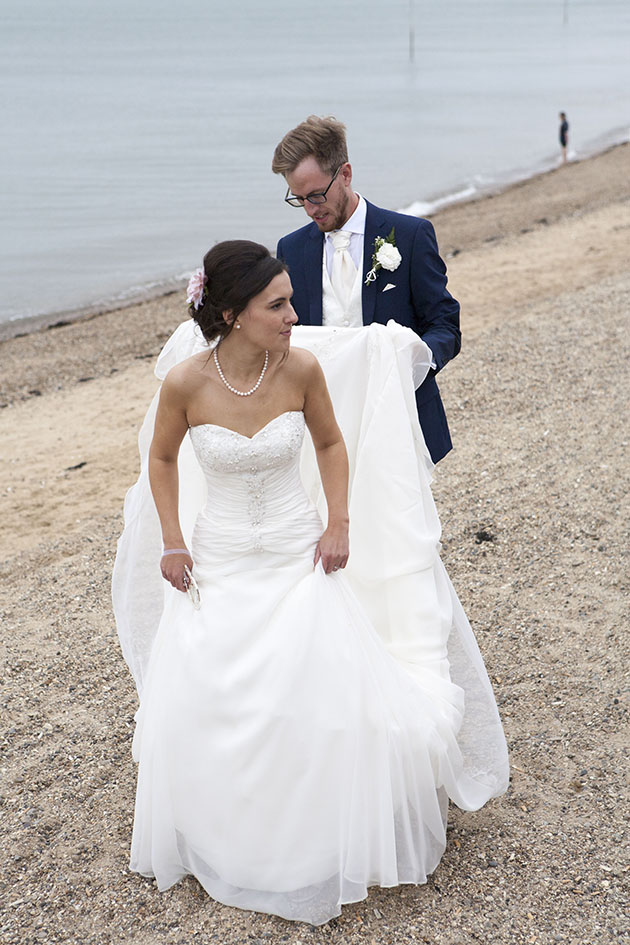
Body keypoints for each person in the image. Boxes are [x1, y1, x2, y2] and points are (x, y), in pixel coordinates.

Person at [113, 240, 508, 926]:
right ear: (234, 314)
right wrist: (173, 538)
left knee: (319, 690)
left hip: (298, 554)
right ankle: (231, 832)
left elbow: (330, 442)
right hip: (224, 558)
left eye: (292, 299)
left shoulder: (299, 369)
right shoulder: (184, 383)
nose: (295, 314)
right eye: (279, 304)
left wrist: (339, 523)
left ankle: (317, 833)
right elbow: (162, 458)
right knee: (215, 695)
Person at [272, 115, 460, 465]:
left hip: (399, 421)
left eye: (316, 195)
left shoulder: (410, 236)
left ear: (345, 174)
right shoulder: (291, 249)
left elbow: (445, 325)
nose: (310, 209)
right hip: (320, 427)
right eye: (298, 199)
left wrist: (412, 363)